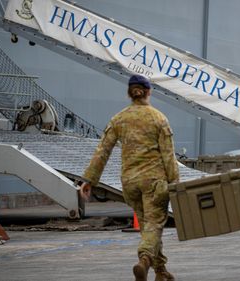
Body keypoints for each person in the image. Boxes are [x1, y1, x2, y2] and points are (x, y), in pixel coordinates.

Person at [80, 74, 179, 281]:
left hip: (129, 183)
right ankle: (143, 260)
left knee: (147, 226)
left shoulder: (119, 119)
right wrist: (175, 183)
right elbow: (168, 156)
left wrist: (89, 180)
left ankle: (161, 272)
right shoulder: (158, 118)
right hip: (154, 183)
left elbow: (102, 151)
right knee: (154, 225)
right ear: (148, 91)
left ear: (129, 93)